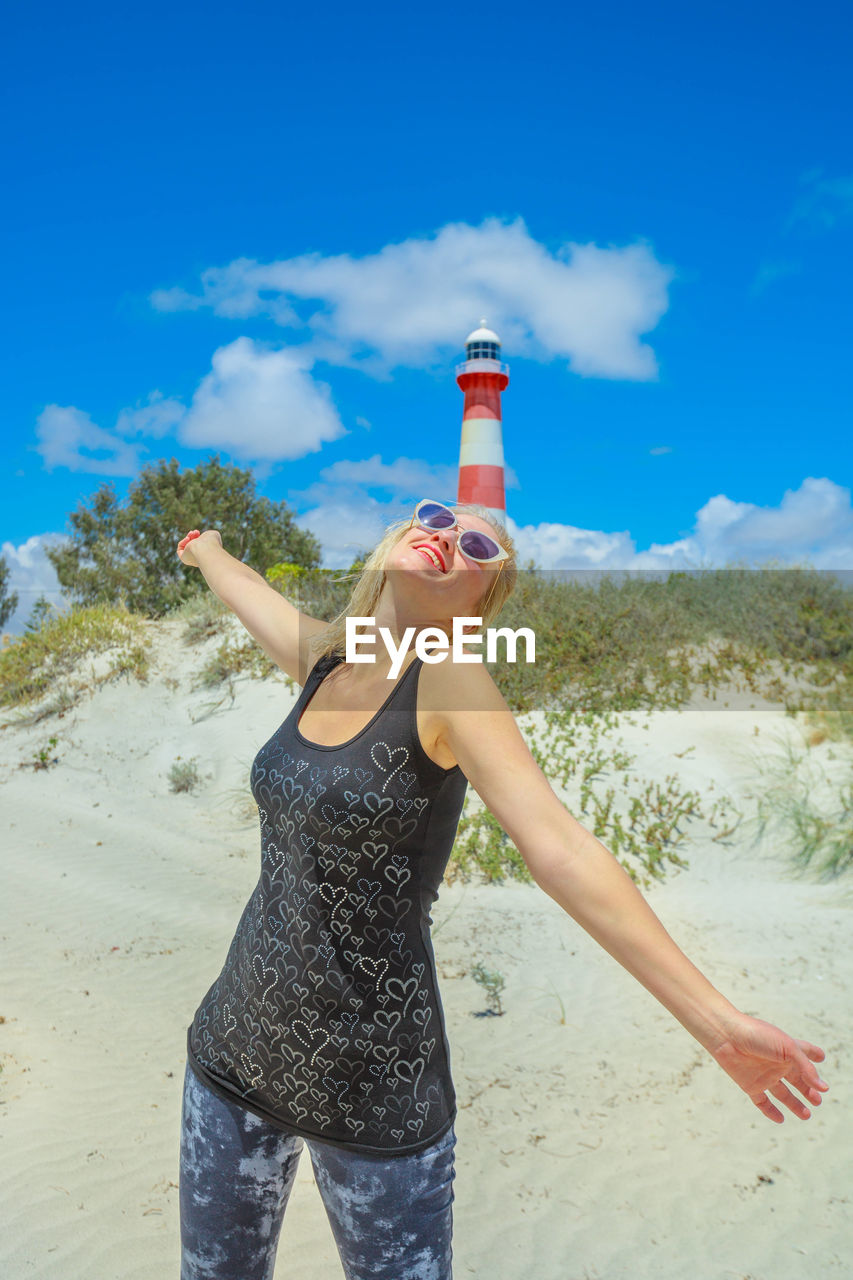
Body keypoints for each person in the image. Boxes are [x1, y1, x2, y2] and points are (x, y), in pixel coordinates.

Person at [175, 499, 829, 1280]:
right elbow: (247, 588)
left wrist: (715, 1022)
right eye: (434, 518)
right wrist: (205, 549)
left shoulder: (449, 681)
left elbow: (559, 849)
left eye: (476, 545)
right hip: (232, 1056)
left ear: (479, 602)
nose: (447, 535)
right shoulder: (326, 656)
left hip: (373, 1092)